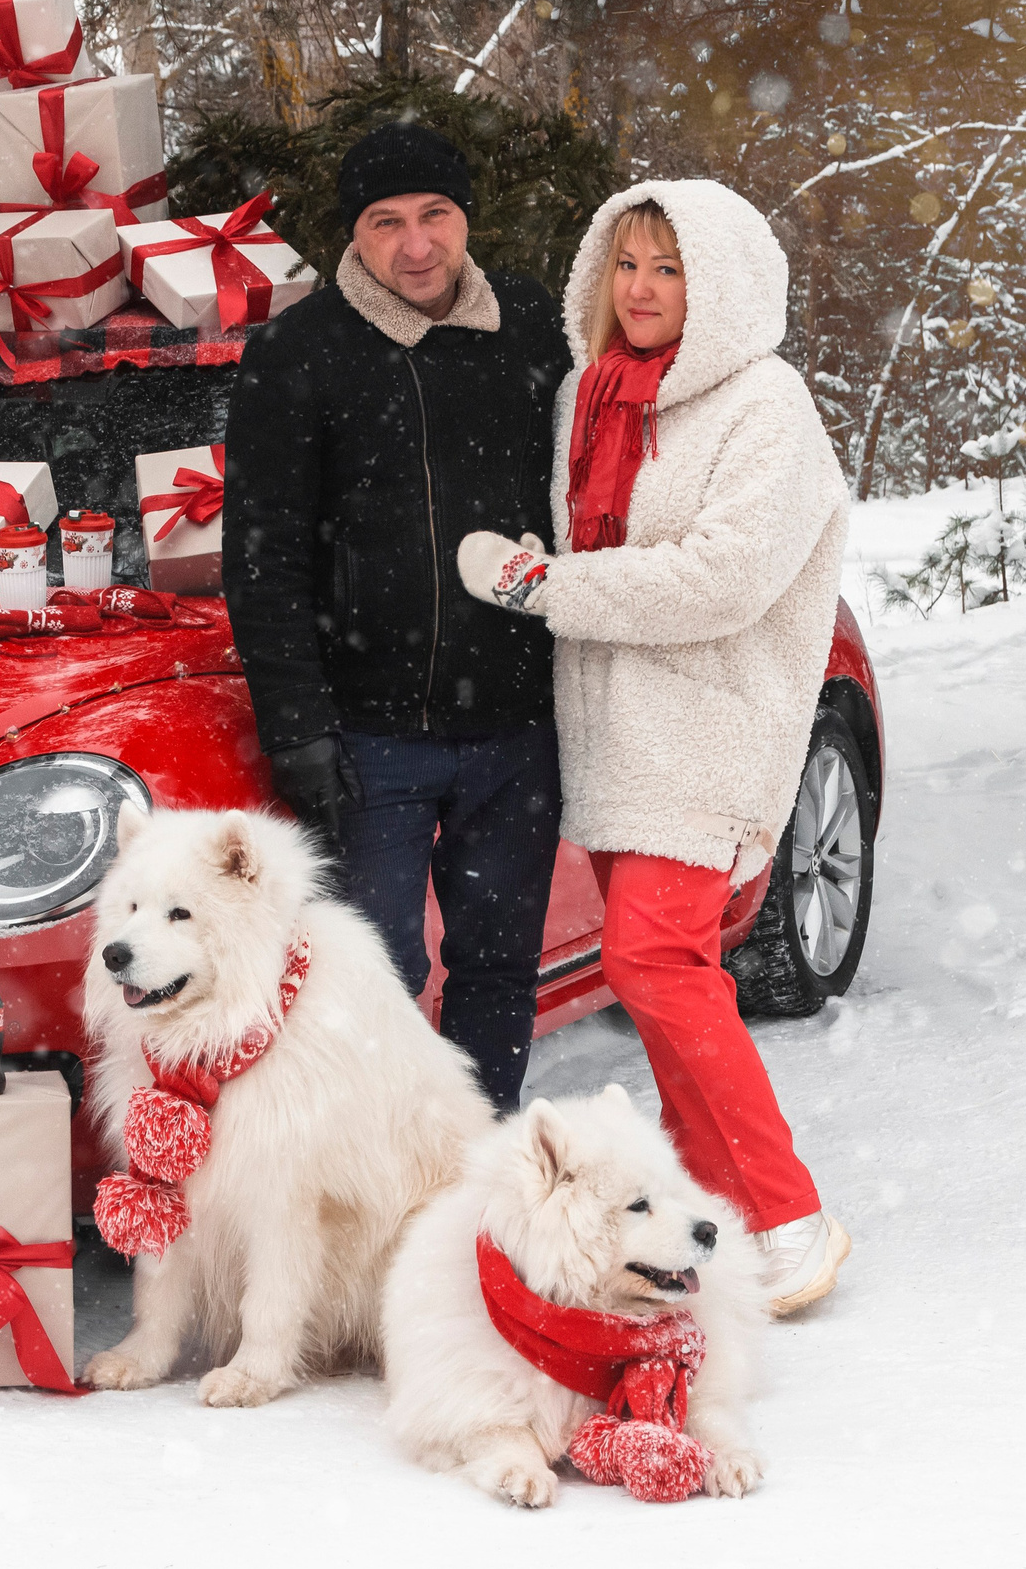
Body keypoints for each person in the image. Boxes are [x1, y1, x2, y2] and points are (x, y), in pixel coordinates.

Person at [452, 180, 854, 1314]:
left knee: (653, 963)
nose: (640, 290)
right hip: (619, 735)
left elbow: (719, 579)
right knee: (667, 972)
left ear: (718, 285)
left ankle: (790, 1212)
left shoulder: (764, 406)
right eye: (626, 263)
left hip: (713, 722)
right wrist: (546, 558)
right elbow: (598, 540)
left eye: (669, 269)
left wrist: (542, 584)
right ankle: (719, 1211)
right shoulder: (595, 394)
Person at [225, 122, 573, 1113]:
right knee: (367, 982)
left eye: (434, 216)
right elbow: (263, 555)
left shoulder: (535, 328)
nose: (415, 245)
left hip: (516, 727)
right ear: (354, 234)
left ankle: (480, 1163)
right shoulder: (300, 353)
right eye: (387, 223)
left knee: (500, 965)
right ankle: (380, 1189)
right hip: (371, 739)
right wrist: (297, 728)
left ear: (464, 217)